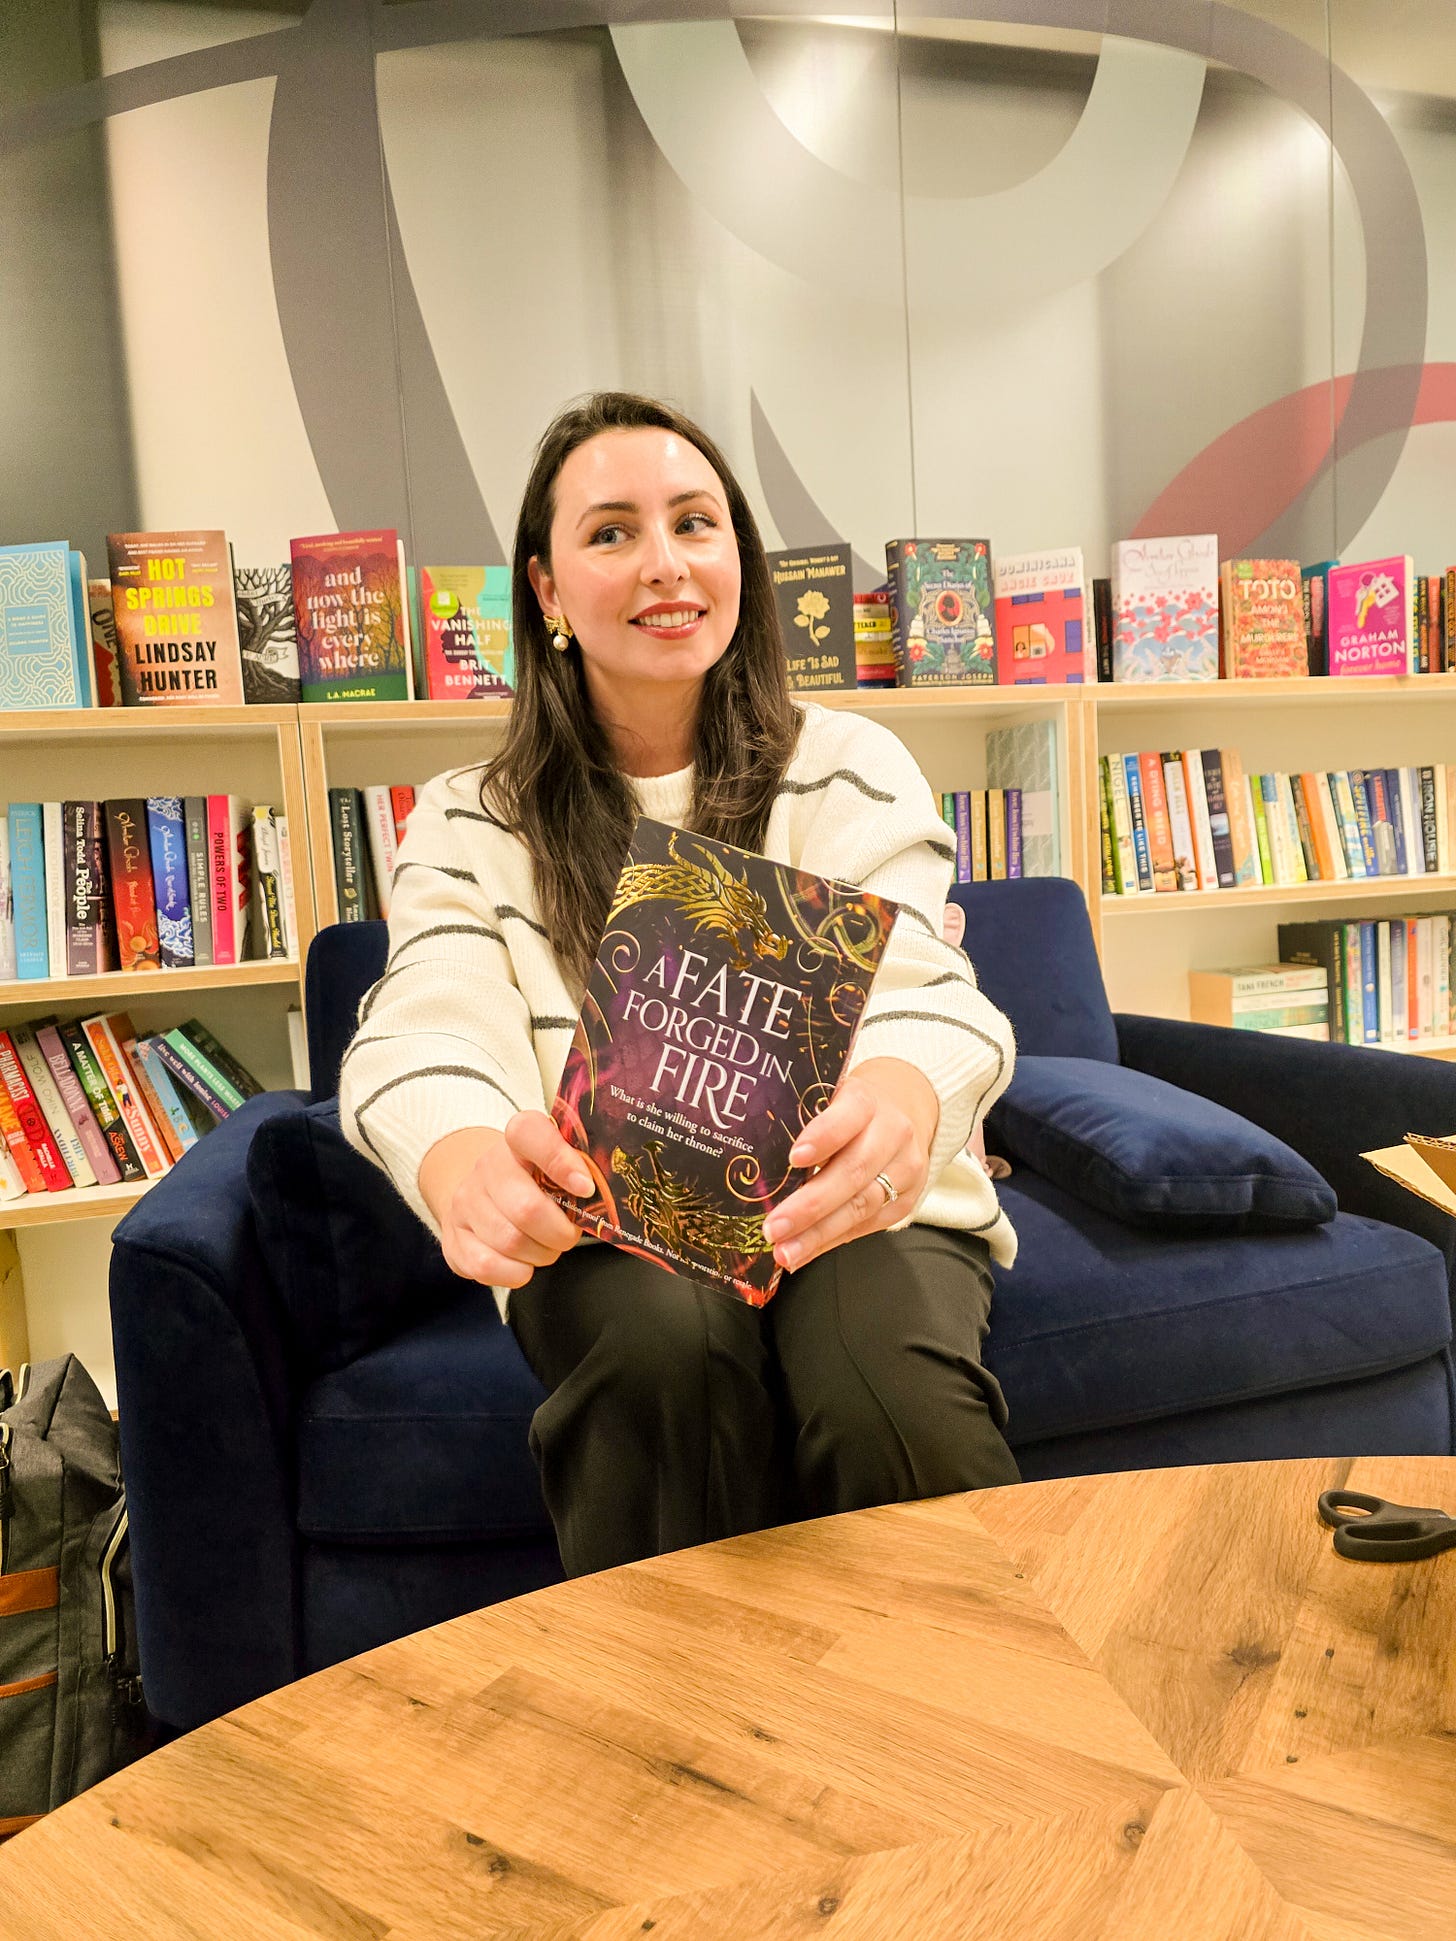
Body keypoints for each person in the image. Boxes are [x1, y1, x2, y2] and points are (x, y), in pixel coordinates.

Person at [338, 391, 1021, 1578]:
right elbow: (420, 1022)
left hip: (844, 1207)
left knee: (884, 1395)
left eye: (695, 524)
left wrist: (907, 1096)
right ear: (546, 589)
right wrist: (460, 1160)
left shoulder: (851, 766)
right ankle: (679, 1746)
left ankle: (980, 1728)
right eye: (610, 533)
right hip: (607, 1227)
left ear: (740, 563)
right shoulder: (465, 818)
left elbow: (926, 983)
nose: (665, 564)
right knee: (663, 1356)